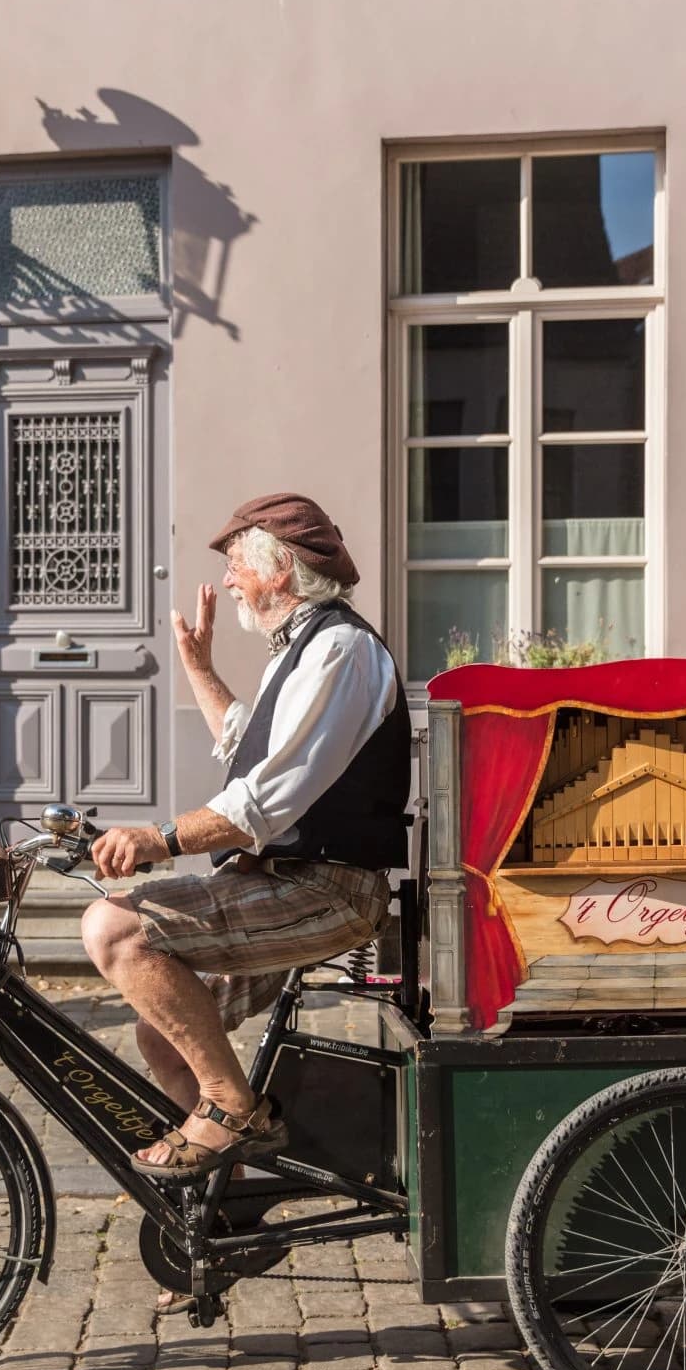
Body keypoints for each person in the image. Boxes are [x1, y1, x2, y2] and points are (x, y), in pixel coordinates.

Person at [79, 493, 411, 1180]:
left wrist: (158, 838)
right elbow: (250, 749)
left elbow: (266, 797)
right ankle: (219, 1208)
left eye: (236, 563)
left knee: (114, 931)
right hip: (281, 879)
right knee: (164, 1034)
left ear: (280, 570)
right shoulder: (302, 650)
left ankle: (234, 1106)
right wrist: (199, 668)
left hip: (326, 889)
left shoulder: (341, 652)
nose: (229, 579)